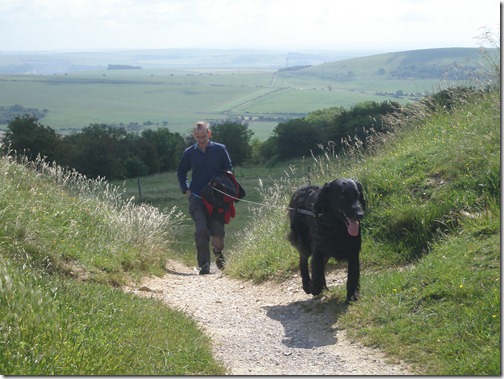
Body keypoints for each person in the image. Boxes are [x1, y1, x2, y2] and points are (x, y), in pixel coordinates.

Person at [177, 121, 233, 275]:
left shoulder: (220, 149)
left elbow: (228, 168)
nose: (201, 140)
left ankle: (218, 252)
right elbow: (181, 172)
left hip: (216, 198)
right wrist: (186, 190)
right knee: (201, 229)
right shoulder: (189, 152)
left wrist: (222, 182)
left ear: (209, 134)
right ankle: (204, 265)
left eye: (204, 136)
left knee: (218, 234)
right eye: (198, 137)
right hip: (196, 196)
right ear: (194, 136)